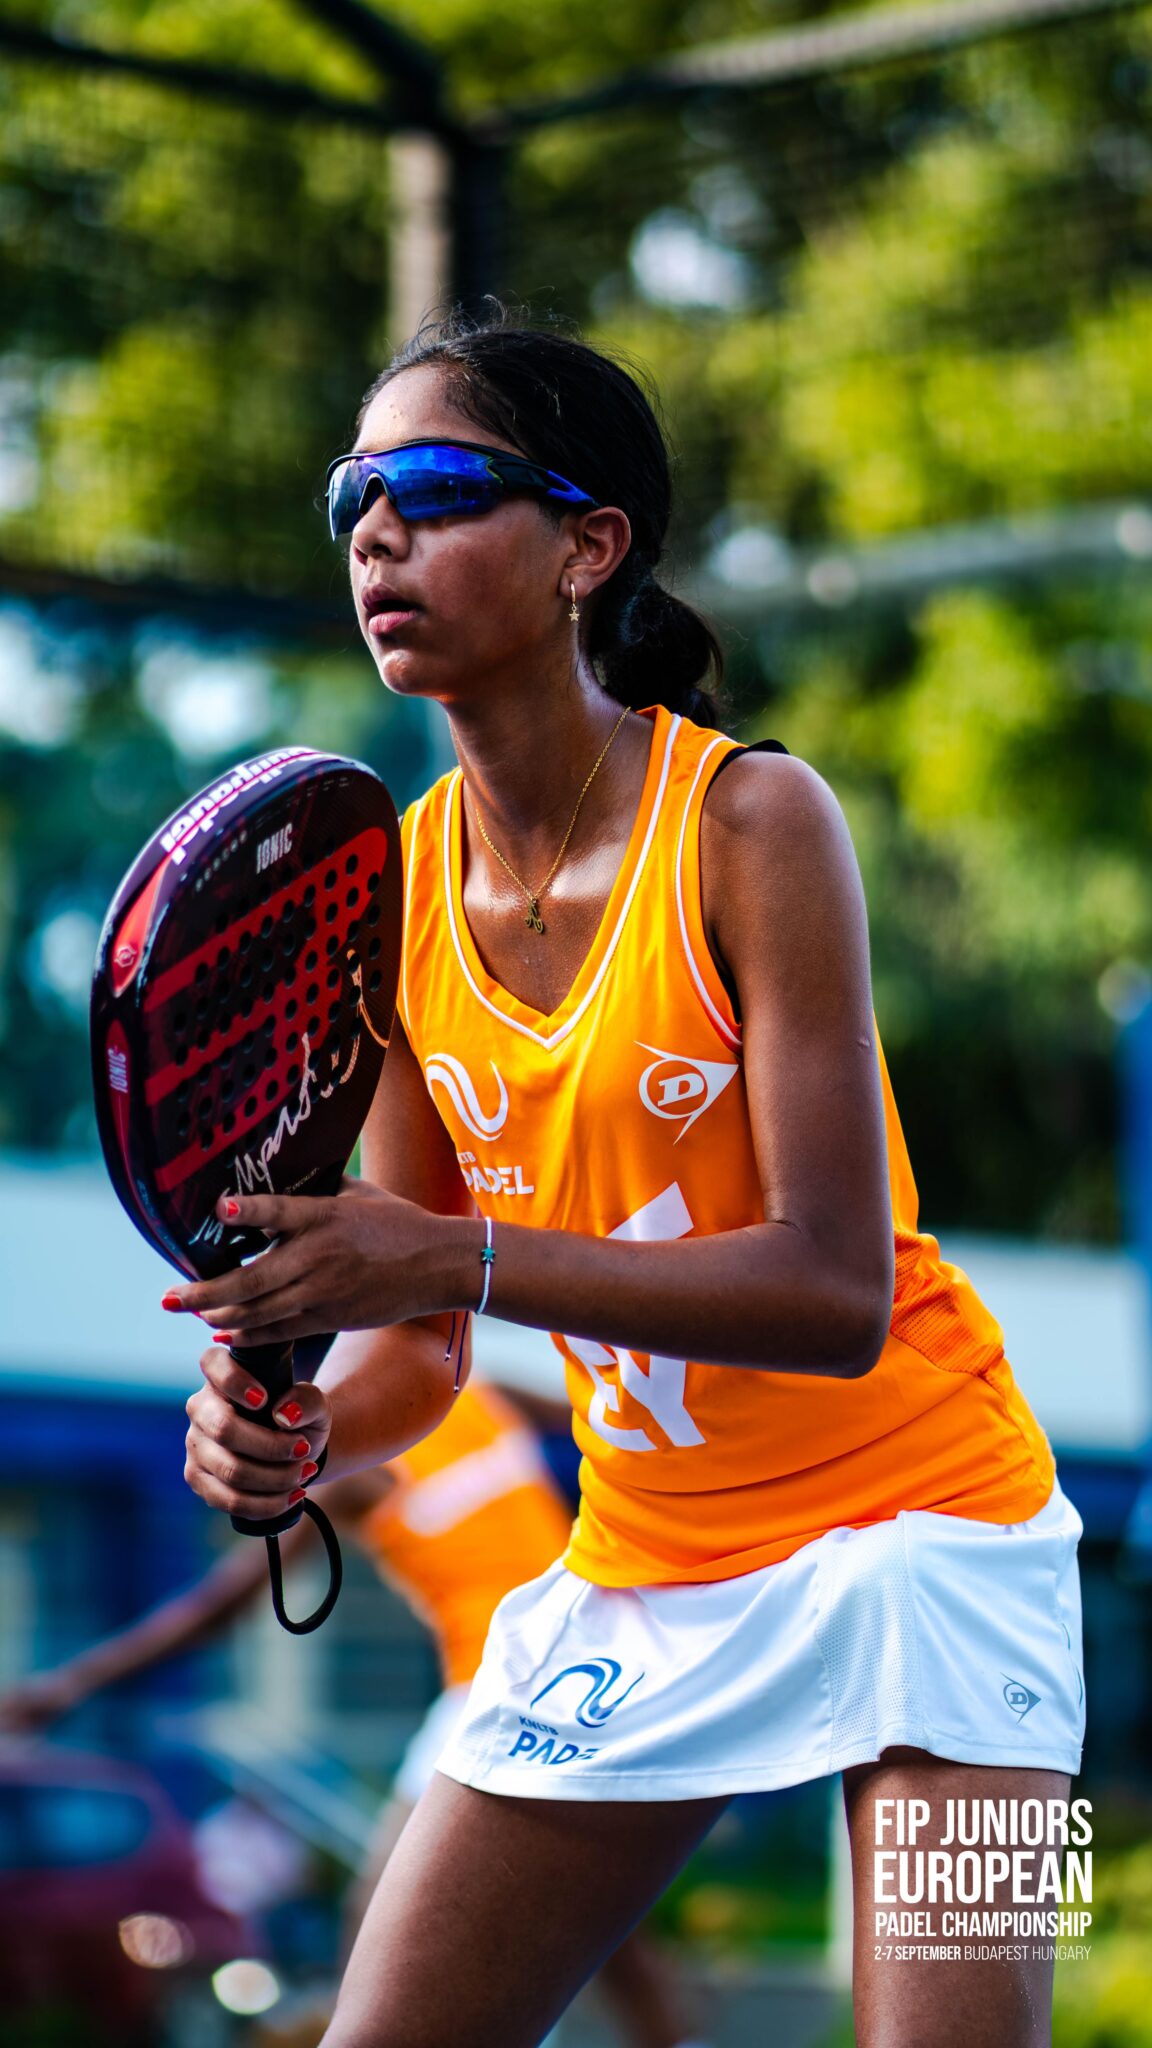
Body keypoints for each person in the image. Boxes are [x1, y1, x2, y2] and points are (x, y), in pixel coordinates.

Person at [176, 313, 1085, 2048]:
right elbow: (420, 1350)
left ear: (588, 545)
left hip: (940, 1536)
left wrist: (441, 1257)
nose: (379, 532)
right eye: (355, 495)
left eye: (436, 487)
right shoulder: (383, 898)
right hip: (648, 1562)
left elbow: (833, 1292)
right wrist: (302, 1430)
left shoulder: (754, 822)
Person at [1, 1377, 705, 2048]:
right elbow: (623, 1416)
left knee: (384, 1924)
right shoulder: (468, 1396)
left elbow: (221, 1606)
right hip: (598, 1674)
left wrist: (71, 1684)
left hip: (509, 1688)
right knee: (590, 1906)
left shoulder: (355, 1460)